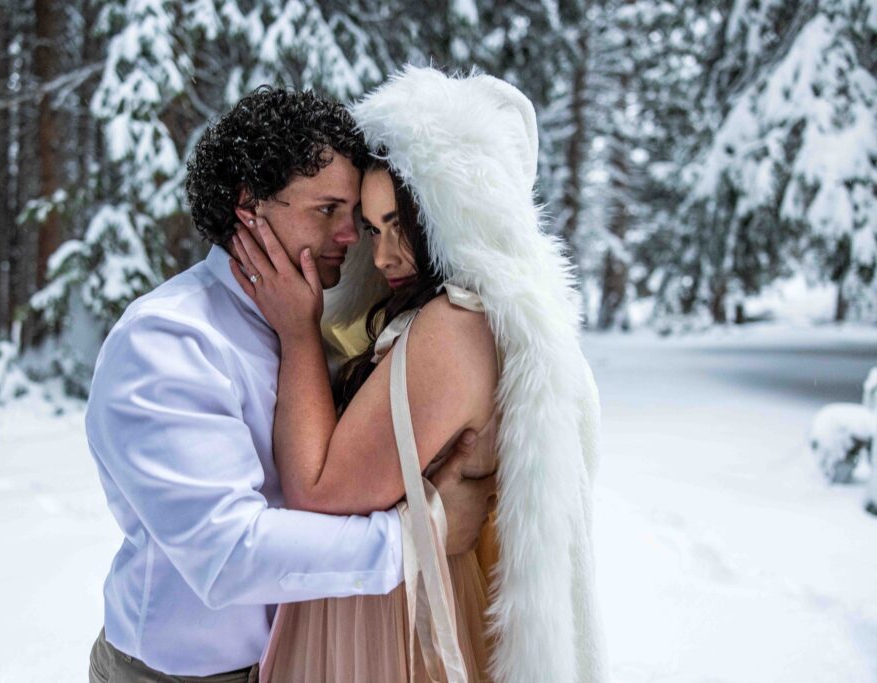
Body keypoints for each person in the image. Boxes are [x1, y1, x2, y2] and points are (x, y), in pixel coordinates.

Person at [85, 86, 496, 683]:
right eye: (325, 210)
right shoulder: (167, 341)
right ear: (249, 207)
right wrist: (415, 538)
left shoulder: (313, 325)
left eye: (351, 215)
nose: (351, 237)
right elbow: (226, 555)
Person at [233, 67, 609, 682]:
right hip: (404, 597)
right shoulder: (478, 321)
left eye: (404, 225)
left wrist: (298, 332)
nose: (381, 257)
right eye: (374, 229)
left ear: (453, 215)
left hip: (392, 624)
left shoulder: (453, 326)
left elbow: (318, 490)